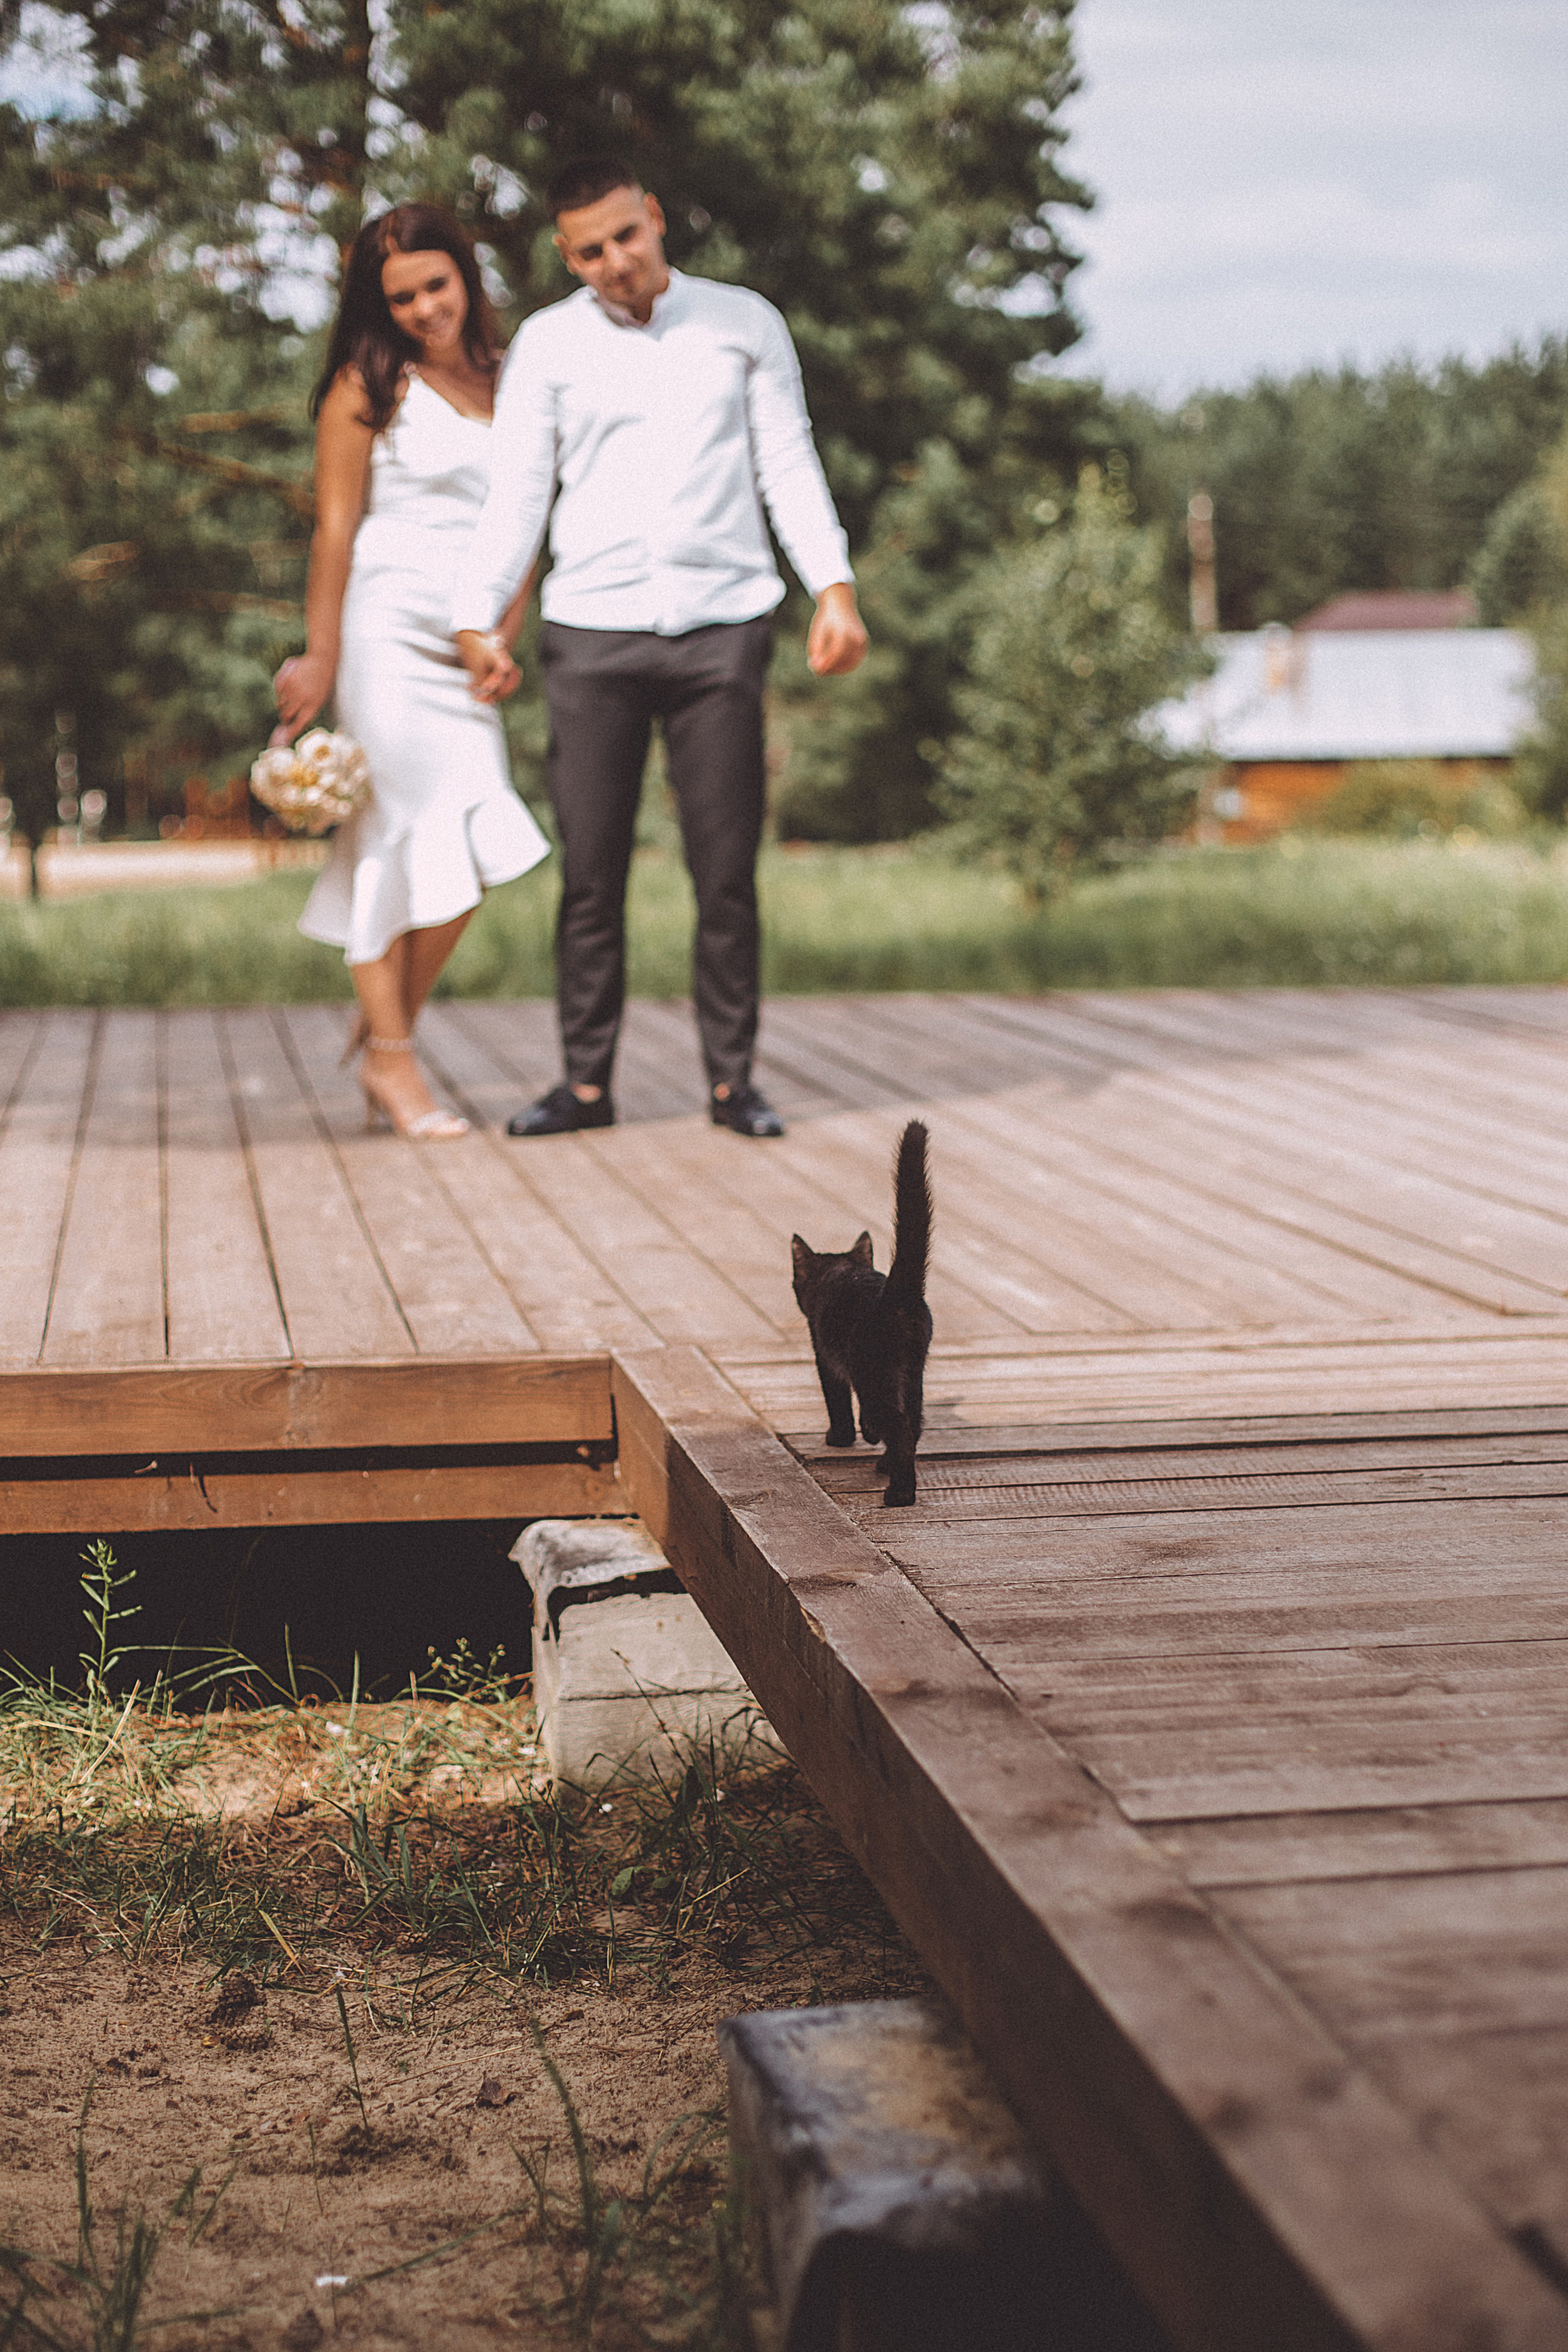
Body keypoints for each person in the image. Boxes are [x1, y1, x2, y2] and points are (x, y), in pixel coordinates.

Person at [451, 157, 868, 1140]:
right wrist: (477, 618)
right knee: (591, 873)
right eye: (589, 250)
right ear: (567, 254)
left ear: (656, 220)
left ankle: (733, 1084)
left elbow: (788, 459)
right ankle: (586, 1088)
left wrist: (835, 589)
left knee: (723, 871)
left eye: (626, 238)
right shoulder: (547, 347)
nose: (614, 262)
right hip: (591, 634)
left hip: (722, 629)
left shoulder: (745, 324)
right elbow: (517, 493)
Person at [274, 202, 550, 1139]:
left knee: (469, 847)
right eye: (401, 296)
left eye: (436, 284)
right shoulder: (367, 385)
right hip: (386, 637)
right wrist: (321, 656)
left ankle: (384, 1030)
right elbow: (337, 527)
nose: (424, 307)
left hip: (469, 640)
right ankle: (394, 1064)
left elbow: (527, 522)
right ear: (376, 303)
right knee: (399, 841)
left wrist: (503, 631)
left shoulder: (516, 379)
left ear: (466, 276)